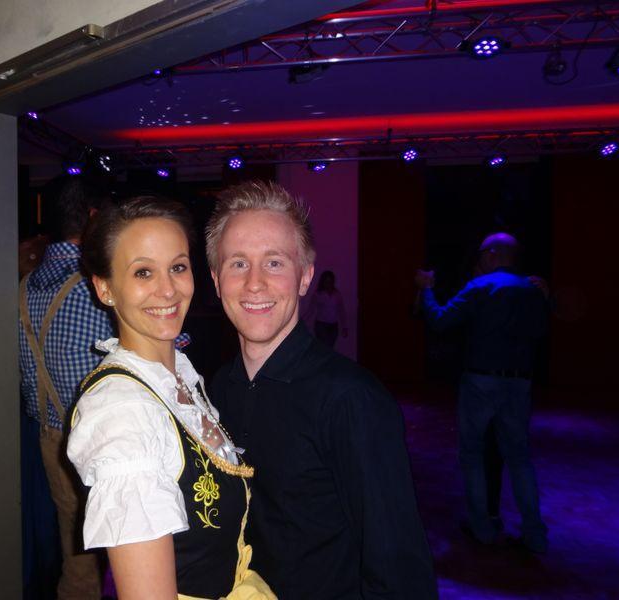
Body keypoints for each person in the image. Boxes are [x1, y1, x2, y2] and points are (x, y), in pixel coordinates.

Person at [207, 181, 438, 600]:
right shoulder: (214, 391)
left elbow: (399, 570)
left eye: (274, 262)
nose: (255, 283)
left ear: (305, 277)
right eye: (238, 263)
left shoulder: (351, 399)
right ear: (216, 280)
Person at [67, 196, 275, 600]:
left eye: (178, 267)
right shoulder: (122, 411)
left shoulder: (176, 374)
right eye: (143, 272)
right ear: (105, 288)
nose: (167, 290)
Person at [414, 232, 549, 554]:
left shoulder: (480, 286)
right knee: (519, 458)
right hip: (519, 382)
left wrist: (427, 289)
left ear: (491, 254)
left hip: (480, 381)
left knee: (472, 455)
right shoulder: (532, 290)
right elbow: (542, 330)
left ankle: (482, 528)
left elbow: (440, 320)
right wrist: (546, 298)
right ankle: (535, 535)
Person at [19, 178, 113, 600]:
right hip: (102, 437)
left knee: (78, 556)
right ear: (92, 217)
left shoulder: (26, 285)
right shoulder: (96, 287)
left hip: (51, 438)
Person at [304, 270, 348, 347]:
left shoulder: (337, 295)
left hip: (333, 325)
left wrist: (344, 326)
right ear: (323, 282)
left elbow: (341, 311)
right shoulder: (318, 295)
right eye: (326, 281)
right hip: (321, 325)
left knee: (330, 347)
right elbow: (311, 310)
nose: (328, 284)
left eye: (330, 281)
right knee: (323, 347)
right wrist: (302, 323)